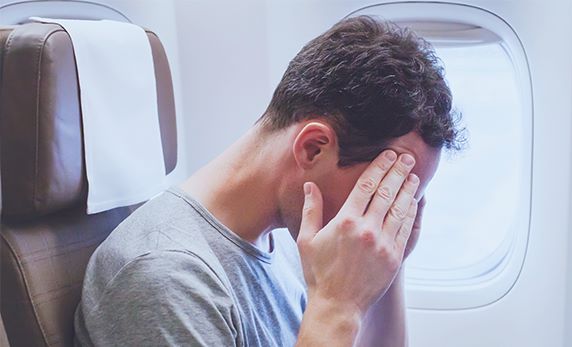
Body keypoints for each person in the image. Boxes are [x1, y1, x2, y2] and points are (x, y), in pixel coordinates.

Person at [74, 15, 462, 347]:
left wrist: (387, 266)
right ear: (313, 149)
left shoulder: (296, 241)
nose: (381, 217)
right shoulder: (165, 278)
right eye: (382, 193)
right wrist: (335, 308)